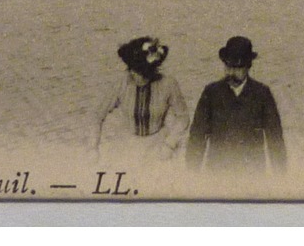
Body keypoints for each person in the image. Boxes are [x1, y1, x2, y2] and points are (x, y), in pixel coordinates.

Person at [186, 36, 287, 176]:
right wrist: (191, 174)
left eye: (237, 68)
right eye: (228, 66)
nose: (231, 73)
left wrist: (281, 176)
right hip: (217, 173)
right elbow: (197, 135)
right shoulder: (211, 92)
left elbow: (275, 138)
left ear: (248, 67)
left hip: (253, 174)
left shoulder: (262, 94)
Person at [92, 36, 189, 165]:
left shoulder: (168, 84)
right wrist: (92, 148)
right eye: (134, 72)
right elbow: (97, 116)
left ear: (153, 70)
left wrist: (170, 143)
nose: (138, 77)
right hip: (128, 145)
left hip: (159, 145)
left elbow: (183, 117)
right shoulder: (122, 83)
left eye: (143, 73)